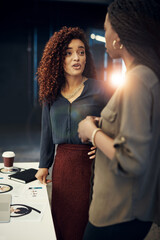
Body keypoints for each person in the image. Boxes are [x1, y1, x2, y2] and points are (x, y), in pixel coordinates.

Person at [78, 0, 160, 239]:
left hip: (117, 213)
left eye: (106, 28)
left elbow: (132, 160)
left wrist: (91, 132)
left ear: (119, 36)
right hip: (132, 211)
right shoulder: (146, 76)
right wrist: (102, 125)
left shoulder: (137, 80)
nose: (104, 34)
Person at [35, 26, 109, 240]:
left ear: (86, 57)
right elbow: (47, 133)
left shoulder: (101, 89)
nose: (76, 57)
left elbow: (118, 122)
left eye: (81, 52)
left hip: (92, 167)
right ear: (58, 59)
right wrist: (43, 165)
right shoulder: (50, 94)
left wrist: (103, 141)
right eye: (68, 53)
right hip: (63, 167)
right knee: (62, 223)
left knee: (85, 224)